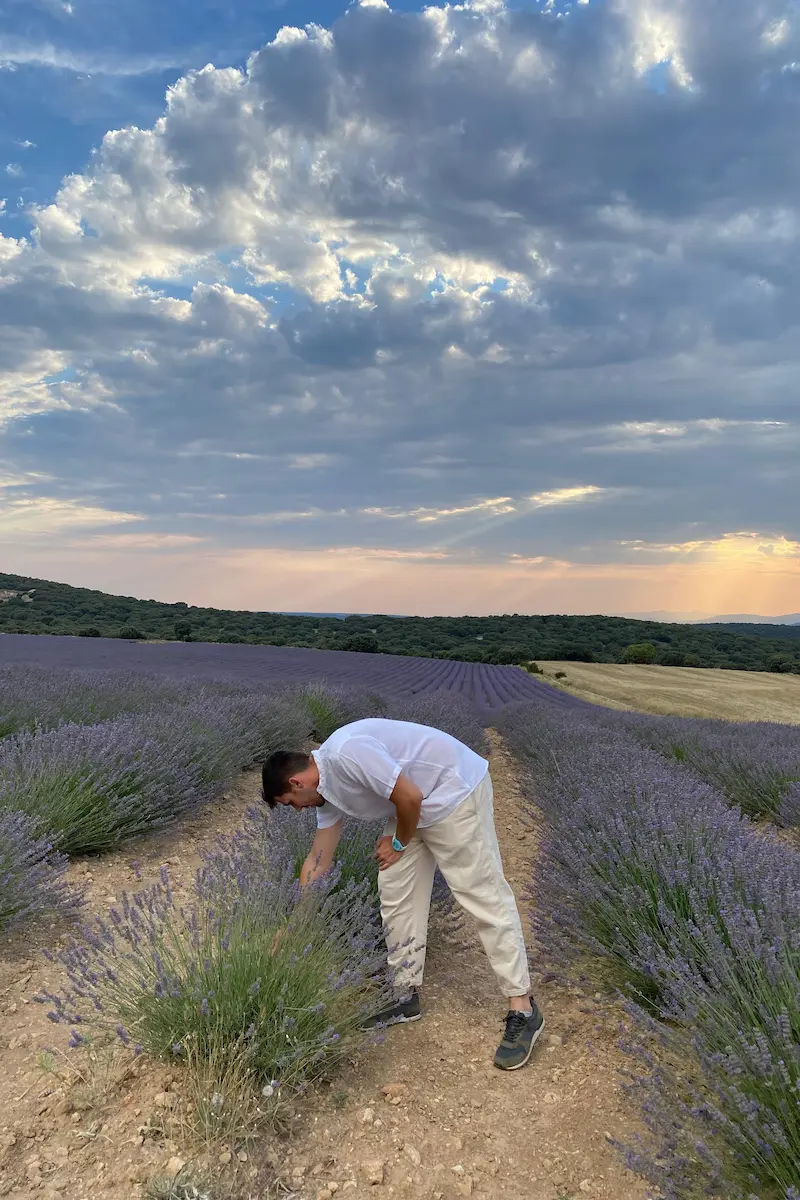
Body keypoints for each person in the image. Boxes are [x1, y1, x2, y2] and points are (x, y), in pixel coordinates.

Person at [260, 717, 545, 1071]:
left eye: (290, 802)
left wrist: (398, 841)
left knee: (481, 894)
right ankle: (404, 994)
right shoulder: (325, 793)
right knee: (395, 889)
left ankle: (523, 1008)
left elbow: (411, 795)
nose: (297, 809)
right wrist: (294, 927)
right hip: (412, 806)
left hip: (453, 792)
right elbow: (318, 862)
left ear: (296, 782)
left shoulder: (348, 753)